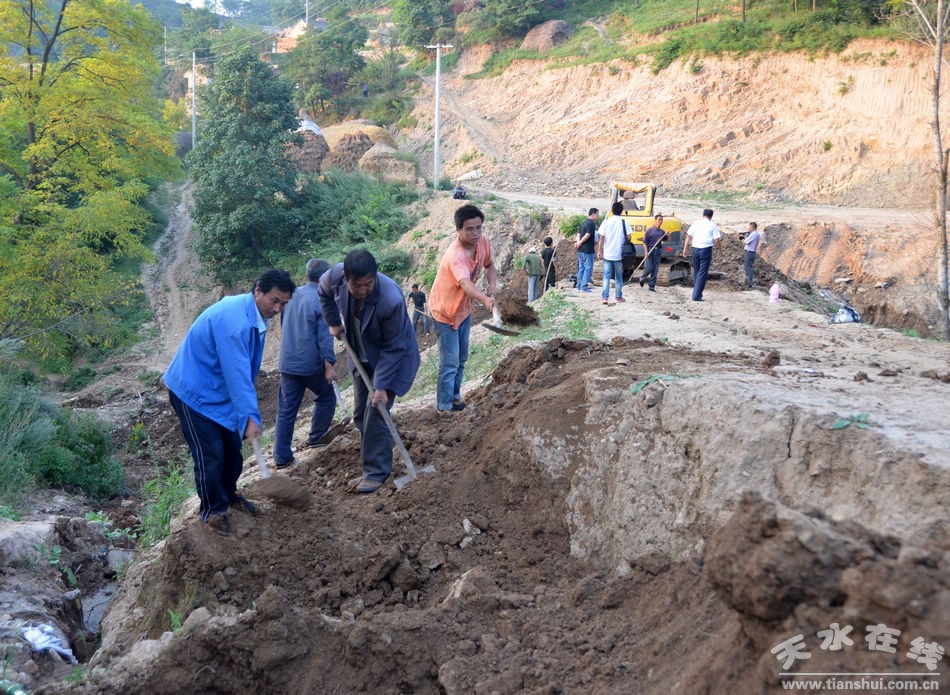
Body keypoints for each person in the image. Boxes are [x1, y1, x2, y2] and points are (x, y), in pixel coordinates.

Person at [164, 269, 296, 537]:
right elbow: (237, 374)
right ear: (258, 290)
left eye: (283, 303)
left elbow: (242, 372)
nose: (278, 308)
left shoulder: (255, 315)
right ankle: (213, 511)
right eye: (275, 300)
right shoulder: (234, 321)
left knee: (232, 451)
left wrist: (246, 414)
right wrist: (250, 415)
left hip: (217, 391)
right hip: (193, 391)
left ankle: (229, 495)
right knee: (210, 453)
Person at [318, 250, 420, 494]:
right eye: (357, 285)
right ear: (346, 278)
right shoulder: (335, 277)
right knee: (360, 415)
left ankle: (377, 472)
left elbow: (394, 347)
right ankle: (369, 468)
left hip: (392, 359)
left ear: (375, 277)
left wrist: (382, 386)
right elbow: (323, 291)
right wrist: (333, 322)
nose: (364, 290)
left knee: (377, 411)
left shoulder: (390, 300)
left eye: (369, 284)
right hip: (361, 355)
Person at [429, 204, 497, 412]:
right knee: (449, 362)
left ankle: (455, 398)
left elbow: (490, 265)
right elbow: (466, 284)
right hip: (444, 312)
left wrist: (493, 287)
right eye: (470, 229)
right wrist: (485, 299)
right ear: (458, 230)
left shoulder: (482, 242)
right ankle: (443, 407)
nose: (476, 233)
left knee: (461, 358)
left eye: (479, 227)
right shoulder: (455, 255)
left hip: (463, 310)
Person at [273, 258, 336, 469]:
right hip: (309, 364)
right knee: (327, 396)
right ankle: (317, 437)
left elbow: (284, 325)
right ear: (325, 277)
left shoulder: (290, 296)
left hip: (288, 362)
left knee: (286, 410)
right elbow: (325, 338)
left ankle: (281, 457)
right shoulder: (322, 299)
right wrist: (329, 365)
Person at [682, 208, 722, 302]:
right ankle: (696, 296)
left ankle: (697, 293)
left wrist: (685, 249)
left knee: (697, 271)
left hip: (695, 249)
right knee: (702, 273)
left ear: (703, 214)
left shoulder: (696, 223)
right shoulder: (712, 225)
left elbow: (688, 237)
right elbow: (717, 240)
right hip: (705, 250)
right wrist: (720, 250)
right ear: (711, 216)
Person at [596, 201, 628, 305]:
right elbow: (629, 237)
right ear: (621, 211)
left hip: (607, 255)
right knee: (619, 277)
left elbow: (601, 238)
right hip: (619, 255)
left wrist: (599, 251)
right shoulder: (624, 222)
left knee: (606, 277)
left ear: (612, 211)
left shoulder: (606, 222)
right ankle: (618, 297)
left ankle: (605, 298)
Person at [639, 213, 667, 292]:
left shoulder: (662, 232)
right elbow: (644, 242)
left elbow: (666, 239)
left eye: (662, 220)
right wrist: (646, 252)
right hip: (650, 250)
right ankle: (642, 278)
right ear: (655, 220)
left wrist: (667, 234)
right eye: (659, 220)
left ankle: (651, 286)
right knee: (648, 268)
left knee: (655, 269)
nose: (660, 221)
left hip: (658, 251)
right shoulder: (649, 230)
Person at [575, 208, 598, 293]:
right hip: (588, 249)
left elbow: (578, 234)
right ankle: (584, 287)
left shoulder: (583, 222)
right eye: (597, 214)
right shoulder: (591, 223)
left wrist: (578, 243)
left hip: (580, 250)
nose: (598, 216)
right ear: (593, 214)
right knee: (588, 268)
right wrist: (580, 242)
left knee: (581, 268)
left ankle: (578, 286)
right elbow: (587, 235)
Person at [743, 221, 763, 289]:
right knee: (749, 267)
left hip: (749, 252)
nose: (748, 228)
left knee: (748, 268)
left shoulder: (753, 234)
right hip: (752, 252)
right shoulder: (757, 234)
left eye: (749, 226)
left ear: (752, 227)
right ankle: (749, 282)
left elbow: (746, 242)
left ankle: (749, 283)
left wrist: (745, 238)